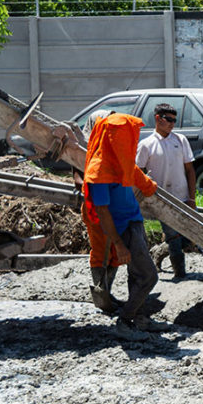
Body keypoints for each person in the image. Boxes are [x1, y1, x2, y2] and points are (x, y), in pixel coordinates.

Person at [79, 110, 159, 333]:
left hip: (134, 221)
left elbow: (138, 177)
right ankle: (125, 319)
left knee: (136, 275)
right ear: (114, 136)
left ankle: (138, 317)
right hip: (123, 229)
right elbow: (103, 212)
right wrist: (118, 244)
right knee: (149, 276)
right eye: (127, 134)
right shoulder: (98, 169)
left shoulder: (120, 157)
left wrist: (150, 186)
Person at [136, 102, 197, 280]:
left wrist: (192, 199)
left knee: (191, 234)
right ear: (157, 118)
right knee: (174, 236)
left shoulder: (180, 140)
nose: (171, 124)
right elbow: (137, 173)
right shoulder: (146, 145)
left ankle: (159, 250)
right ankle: (180, 274)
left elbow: (190, 170)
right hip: (161, 200)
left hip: (183, 196)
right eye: (168, 119)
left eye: (174, 120)